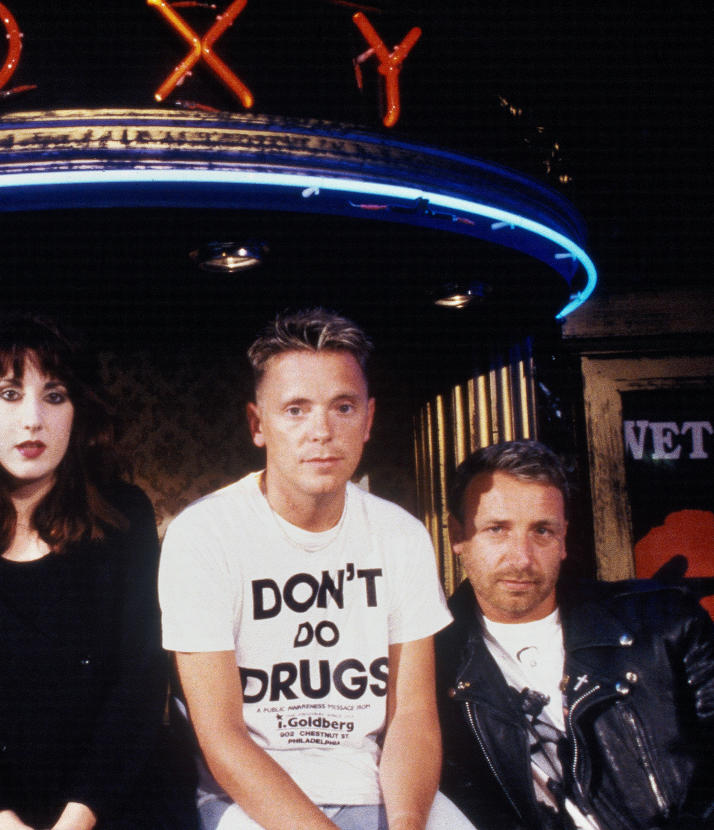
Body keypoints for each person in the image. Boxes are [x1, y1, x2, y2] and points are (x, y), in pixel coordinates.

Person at [158, 308, 471, 830]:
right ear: (259, 424)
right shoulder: (203, 535)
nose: (321, 431)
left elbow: (412, 717)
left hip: (378, 787)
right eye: (296, 410)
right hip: (250, 799)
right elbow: (222, 738)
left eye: (342, 407)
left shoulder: (400, 535)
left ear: (368, 419)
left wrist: (410, 824)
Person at [0, 312, 193, 830]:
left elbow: (141, 682)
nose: (33, 419)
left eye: (54, 395)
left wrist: (79, 817)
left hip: (112, 799)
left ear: (79, 411)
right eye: (9, 394)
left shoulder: (125, 516)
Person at [436, 439, 714, 830]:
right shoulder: (429, 667)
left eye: (542, 531)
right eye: (497, 529)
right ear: (458, 535)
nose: (522, 558)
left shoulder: (665, 623)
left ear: (564, 537)